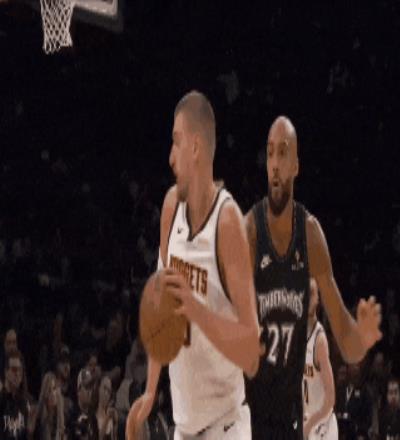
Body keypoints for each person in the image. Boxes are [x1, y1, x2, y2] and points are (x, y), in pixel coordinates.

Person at [126, 90, 260, 439]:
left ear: (196, 148)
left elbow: (251, 354)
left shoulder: (227, 223)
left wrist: (196, 309)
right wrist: (150, 391)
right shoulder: (171, 208)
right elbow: (161, 312)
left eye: (176, 142)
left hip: (226, 426)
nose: (170, 156)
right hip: (184, 428)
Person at [245, 116, 382, 439]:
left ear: (296, 166)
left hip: (294, 415)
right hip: (254, 407)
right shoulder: (250, 228)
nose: (274, 163)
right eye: (270, 153)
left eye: (283, 153)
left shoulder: (310, 233)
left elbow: (346, 341)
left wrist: (361, 340)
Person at [302, 278, 338, 440]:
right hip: (307, 419)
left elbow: (331, 398)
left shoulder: (319, 340)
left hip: (323, 425)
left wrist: (310, 424)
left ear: (317, 299)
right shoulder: (296, 335)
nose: (308, 298)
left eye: (311, 294)